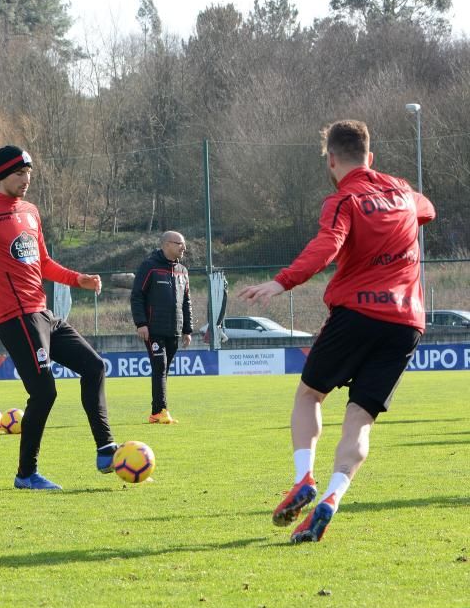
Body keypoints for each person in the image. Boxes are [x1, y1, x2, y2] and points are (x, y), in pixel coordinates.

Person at [239, 120, 435, 543]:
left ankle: (303, 478)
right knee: (360, 418)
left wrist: (282, 281)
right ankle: (331, 498)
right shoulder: (402, 190)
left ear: (331, 160)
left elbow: (327, 245)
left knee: (310, 395)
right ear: (371, 156)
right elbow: (428, 209)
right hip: (407, 324)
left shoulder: (343, 200)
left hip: (358, 314)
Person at [0, 145, 116, 490]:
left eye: (29, 174)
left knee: (94, 366)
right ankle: (26, 474)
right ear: (1, 175)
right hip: (15, 317)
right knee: (44, 393)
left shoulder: (31, 212)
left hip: (42, 313)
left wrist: (76, 279)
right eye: (19, 174)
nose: (26, 180)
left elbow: (44, 263)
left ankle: (106, 448)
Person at [129, 231, 193, 424]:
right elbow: (137, 296)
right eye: (180, 243)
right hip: (154, 330)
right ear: (166, 245)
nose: (184, 247)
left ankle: (157, 411)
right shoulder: (149, 266)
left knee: (163, 371)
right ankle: (159, 411)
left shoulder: (183, 271)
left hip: (174, 330)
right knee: (160, 366)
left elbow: (186, 302)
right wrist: (141, 323)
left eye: (184, 244)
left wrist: (187, 329)